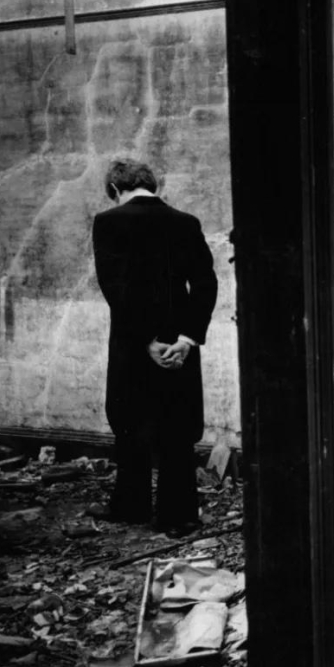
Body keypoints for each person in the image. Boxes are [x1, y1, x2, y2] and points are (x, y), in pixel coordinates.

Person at [92, 159, 218, 535]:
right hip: (178, 342)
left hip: (133, 341)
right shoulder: (186, 222)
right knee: (176, 428)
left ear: (116, 188)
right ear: (153, 184)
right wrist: (186, 339)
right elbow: (205, 284)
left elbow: (115, 288)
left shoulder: (109, 221)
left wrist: (145, 341)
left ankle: (130, 505)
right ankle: (178, 516)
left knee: (129, 422)